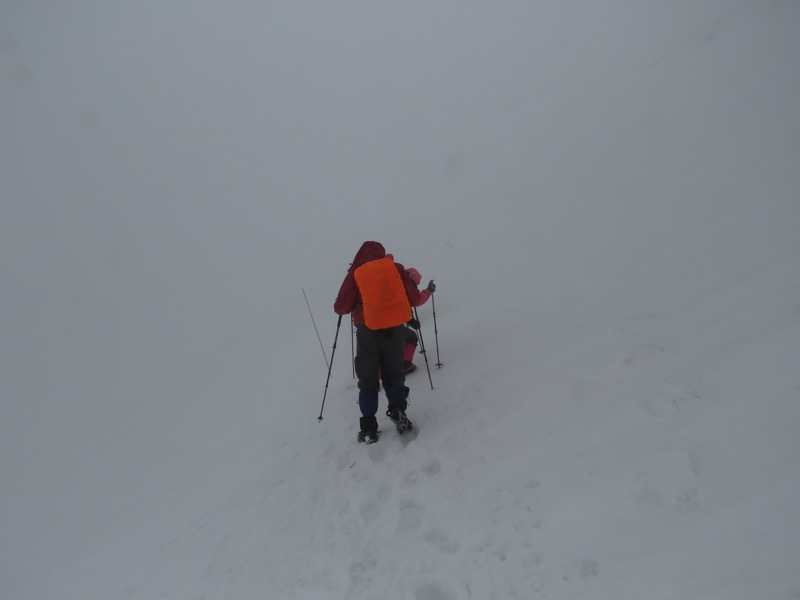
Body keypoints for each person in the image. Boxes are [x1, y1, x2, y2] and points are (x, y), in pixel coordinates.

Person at [334, 241, 436, 443]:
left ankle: (369, 427)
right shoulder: (395, 268)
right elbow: (414, 300)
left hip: (367, 331)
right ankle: (398, 409)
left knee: (368, 379)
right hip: (395, 330)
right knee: (394, 373)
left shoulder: (356, 273)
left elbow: (341, 307)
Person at [401, 267, 433, 374]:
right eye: (416, 283)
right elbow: (416, 300)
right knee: (410, 337)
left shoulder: (396, 284)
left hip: (374, 323)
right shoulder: (405, 288)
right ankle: (405, 365)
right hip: (391, 325)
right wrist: (428, 291)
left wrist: (410, 320)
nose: (416, 286)